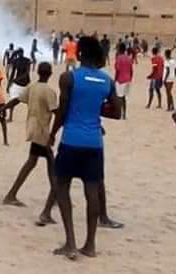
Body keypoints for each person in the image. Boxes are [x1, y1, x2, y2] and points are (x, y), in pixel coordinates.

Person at [49, 36, 116, 260]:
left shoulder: (69, 77)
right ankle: (90, 245)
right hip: (94, 142)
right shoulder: (107, 81)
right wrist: (96, 109)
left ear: (79, 54)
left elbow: (63, 110)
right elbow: (116, 112)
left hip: (71, 140)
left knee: (61, 186)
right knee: (92, 192)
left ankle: (70, 242)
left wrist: (52, 133)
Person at [0, 61, 58, 225]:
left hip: (32, 128)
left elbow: (17, 100)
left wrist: (1, 109)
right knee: (52, 165)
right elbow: (56, 112)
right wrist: (53, 133)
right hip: (41, 131)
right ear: (50, 73)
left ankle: (12, 194)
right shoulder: (49, 92)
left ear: (38, 72)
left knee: (32, 162)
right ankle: (54, 199)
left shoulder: (32, 87)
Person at [113, 43, 133, 119]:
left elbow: (117, 70)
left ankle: (119, 114)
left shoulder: (119, 58)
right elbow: (131, 70)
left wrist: (115, 80)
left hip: (120, 80)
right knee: (123, 98)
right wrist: (130, 79)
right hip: (127, 80)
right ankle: (124, 114)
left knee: (119, 97)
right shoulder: (128, 58)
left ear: (119, 49)